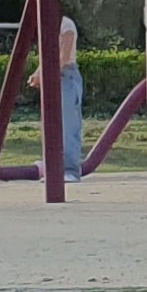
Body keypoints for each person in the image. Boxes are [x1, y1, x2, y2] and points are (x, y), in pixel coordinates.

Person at [53, 10, 84, 182]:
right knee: (53, 124)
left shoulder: (66, 25)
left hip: (66, 75)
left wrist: (43, 72)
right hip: (56, 73)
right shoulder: (50, 26)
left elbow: (64, 57)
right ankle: (54, 166)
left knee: (69, 125)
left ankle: (71, 170)